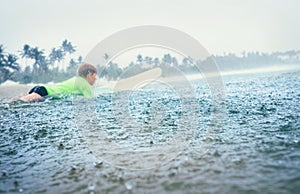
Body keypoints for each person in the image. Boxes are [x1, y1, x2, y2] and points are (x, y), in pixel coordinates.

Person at [19, 63, 97, 102]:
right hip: (44, 93)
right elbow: (90, 100)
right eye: (94, 76)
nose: (95, 79)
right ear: (89, 74)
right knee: (20, 102)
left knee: (18, 101)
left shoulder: (76, 80)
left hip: (42, 89)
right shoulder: (83, 83)